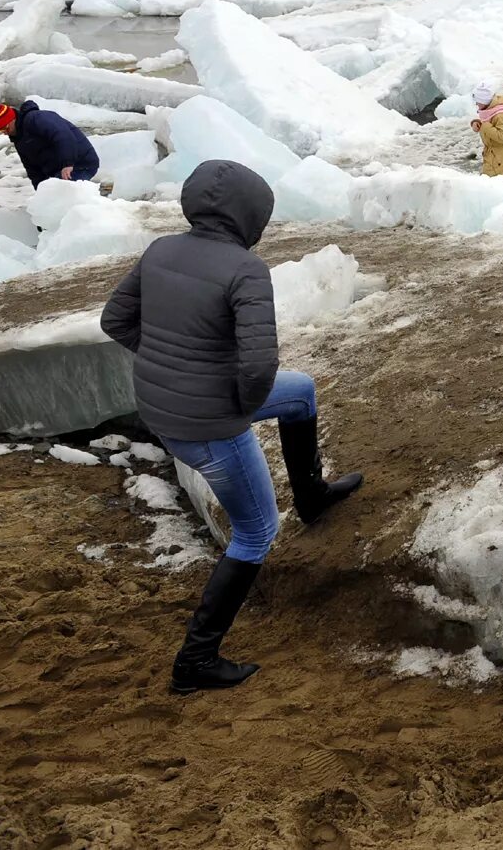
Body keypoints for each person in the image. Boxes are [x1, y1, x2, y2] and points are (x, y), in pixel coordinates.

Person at [99, 160, 363, 694]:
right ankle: (196, 659)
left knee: (301, 392)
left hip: (164, 410)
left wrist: (174, 372)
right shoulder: (245, 268)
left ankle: (310, 495)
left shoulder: (160, 251)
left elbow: (115, 321)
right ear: (251, 216)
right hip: (211, 424)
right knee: (257, 531)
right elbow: (257, 367)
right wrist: (231, 405)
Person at [0, 101, 100, 189]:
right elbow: (32, 169)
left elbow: (62, 135)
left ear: (12, 119)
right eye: (0, 130)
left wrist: (68, 163)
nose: (4, 132)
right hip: (59, 170)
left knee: (62, 197)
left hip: (80, 163)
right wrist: (40, 190)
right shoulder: (19, 139)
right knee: (52, 197)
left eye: (5, 127)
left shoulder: (37, 118)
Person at [470, 83, 503, 179]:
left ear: (484, 101)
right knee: (489, 186)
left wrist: (484, 126)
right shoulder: (489, 112)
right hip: (492, 157)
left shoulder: (499, 116)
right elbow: (488, 125)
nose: (476, 104)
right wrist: (476, 123)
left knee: (494, 188)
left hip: (500, 160)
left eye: (478, 101)